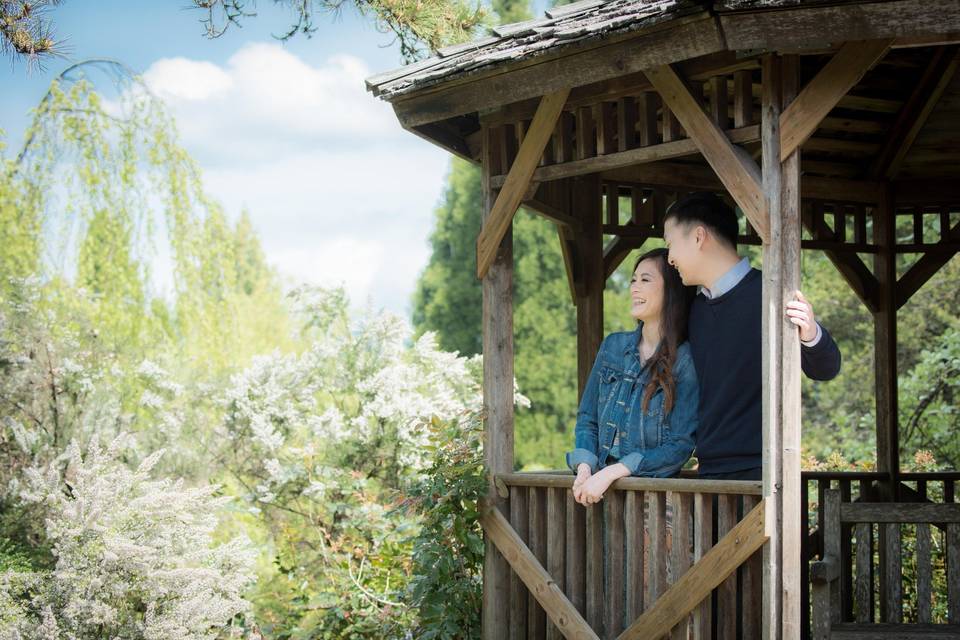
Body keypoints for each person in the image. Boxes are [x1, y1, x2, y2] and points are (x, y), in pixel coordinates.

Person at [662, 192, 842, 481]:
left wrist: (810, 331)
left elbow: (826, 368)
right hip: (709, 472)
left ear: (698, 237)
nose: (669, 258)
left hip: (764, 476)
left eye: (670, 244)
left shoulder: (770, 295)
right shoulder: (695, 310)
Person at [566, 248, 698, 506]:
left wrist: (615, 471)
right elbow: (587, 420)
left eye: (645, 280)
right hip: (600, 498)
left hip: (655, 504)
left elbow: (680, 446)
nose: (634, 288)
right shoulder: (613, 346)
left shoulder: (685, 359)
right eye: (633, 280)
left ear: (671, 290)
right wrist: (584, 468)